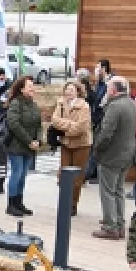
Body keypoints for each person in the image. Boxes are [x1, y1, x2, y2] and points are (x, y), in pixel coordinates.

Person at [92, 76, 136, 239]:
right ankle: (119, 224)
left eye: (108, 88)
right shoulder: (132, 104)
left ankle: (110, 226)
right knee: (118, 190)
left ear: (113, 90)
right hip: (127, 154)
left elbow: (106, 134)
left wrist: (97, 149)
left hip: (112, 155)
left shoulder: (115, 107)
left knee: (108, 191)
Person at [50, 80, 93, 216]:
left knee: (77, 177)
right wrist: (69, 126)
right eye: (67, 89)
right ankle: (64, 202)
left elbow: (81, 127)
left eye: (71, 90)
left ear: (78, 92)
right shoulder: (60, 103)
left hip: (81, 144)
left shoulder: (84, 106)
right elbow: (55, 120)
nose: (68, 92)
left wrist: (64, 129)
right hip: (66, 143)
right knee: (63, 174)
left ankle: (73, 205)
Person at [3, 76, 42, 217]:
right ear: (22, 89)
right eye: (29, 86)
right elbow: (14, 124)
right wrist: (28, 140)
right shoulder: (15, 103)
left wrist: (38, 139)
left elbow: (39, 124)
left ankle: (19, 202)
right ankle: (11, 204)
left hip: (29, 147)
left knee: (23, 176)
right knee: (16, 173)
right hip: (16, 146)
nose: (32, 88)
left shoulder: (33, 104)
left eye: (33, 86)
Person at [86, 60, 114, 183]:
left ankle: (92, 174)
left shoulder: (110, 83)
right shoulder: (100, 83)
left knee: (98, 146)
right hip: (96, 119)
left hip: (103, 119)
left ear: (104, 68)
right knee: (94, 146)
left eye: (97, 67)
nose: (95, 70)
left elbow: (102, 102)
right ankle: (92, 173)